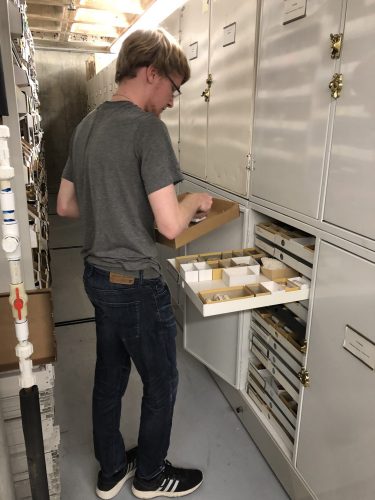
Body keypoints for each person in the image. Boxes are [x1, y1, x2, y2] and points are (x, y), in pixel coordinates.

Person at [57, 28, 213, 500]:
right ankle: (149, 477)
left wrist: (116, 203)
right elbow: (169, 226)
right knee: (162, 381)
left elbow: (65, 204)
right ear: (152, 73)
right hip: (136, 284)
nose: (171, 101)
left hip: (97, 278)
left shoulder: (86, 126)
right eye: (173, 88)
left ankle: (110, 473)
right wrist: (194, 201)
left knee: (109, 375)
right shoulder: (147, 130)